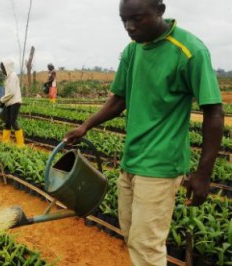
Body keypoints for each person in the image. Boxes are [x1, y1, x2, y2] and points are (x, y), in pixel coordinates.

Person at [63, 0, 224, 265]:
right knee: (132, 235)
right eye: (124, 20)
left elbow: (214, 113)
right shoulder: (132, 50)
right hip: (132, 160)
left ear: (160, 10)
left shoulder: (189, 50)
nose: (129, 27)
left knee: (147, 246)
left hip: (162, 164)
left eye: (137, 19)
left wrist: (204, 173)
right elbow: (118, 100)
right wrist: (86, 126)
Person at [0, 60, 24, 147]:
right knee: (7, 122)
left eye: (3, 68)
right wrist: (4, 101)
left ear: (7, 67)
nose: (2, 70)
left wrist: (2, 100)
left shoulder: (13, 76)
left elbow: (12, 92)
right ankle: (5, 142)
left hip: (15, 102)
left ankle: (21, 145)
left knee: (13, 121)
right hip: (9, 102)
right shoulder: (8, 77)